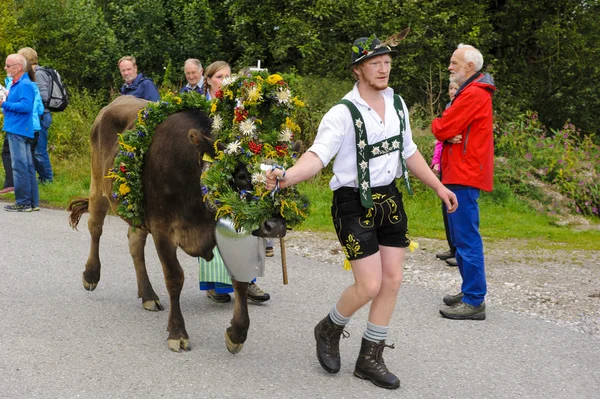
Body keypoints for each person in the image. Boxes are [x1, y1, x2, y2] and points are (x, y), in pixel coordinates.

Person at [266, 33, 457, 390]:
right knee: (369, 284)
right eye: (375, 63)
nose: (383, 69)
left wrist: (438, 186)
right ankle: (329, 327)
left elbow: (409, 152)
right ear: (358, 70)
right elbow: (318, 155)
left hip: (390, 199)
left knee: (393, 281)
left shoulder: (398, 103)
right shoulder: (342, 113)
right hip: (353, 202)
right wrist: (287, 177)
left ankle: (370, 359)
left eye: (386, 62)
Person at [432, 44, 496, 321]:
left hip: (464, 172)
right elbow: (448, 131)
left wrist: (443, 131)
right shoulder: (473, 91)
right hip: (460, 170)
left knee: (466, 238)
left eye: (454, 63)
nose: (450, 67)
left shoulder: (472, 93)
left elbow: (443, 126)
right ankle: (469, 290)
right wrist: (447, 134)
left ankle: (474, 300)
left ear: (470, 67)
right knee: (460, 237)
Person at [198, 61, 270, 303]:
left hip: (238, 171)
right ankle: (215, 283)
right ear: (207, 79)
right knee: (214, 222)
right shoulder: (199, 107)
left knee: (245, 219)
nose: (224, 81)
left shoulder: (237, 106)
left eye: (228, 77)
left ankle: (248, 281)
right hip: (208, 169)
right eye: (219, 76)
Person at [1, 54, 39, 212]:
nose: (5, 68)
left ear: (18, 67)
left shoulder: (24, 84)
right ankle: (32, 203)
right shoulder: (17, 84)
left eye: (8, 65)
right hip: (19, 128)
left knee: (19, 166)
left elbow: (25, 107)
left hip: (18, 129)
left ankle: (23, 202)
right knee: (28, 166)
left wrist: (4, 104)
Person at [431, 81, 459, 267]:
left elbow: (457, 135)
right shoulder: (449, 107)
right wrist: (435, 162)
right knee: (445, 206)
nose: (452, 92)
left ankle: (460, 251)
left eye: (456, 89)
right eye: (450, 88)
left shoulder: (464, 107)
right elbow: (440, 136)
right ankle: (452, 246)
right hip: (444, 162)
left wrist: (445, 135)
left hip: (458, 166)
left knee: (457, 208)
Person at [18, 47, 54, 184]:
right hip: (38, 115)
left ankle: (47, 179)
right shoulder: (34, 72)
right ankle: (40, 178)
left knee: (39, 150)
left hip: (42, 115)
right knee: (34, 150)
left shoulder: (37, 73)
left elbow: (44, 96)